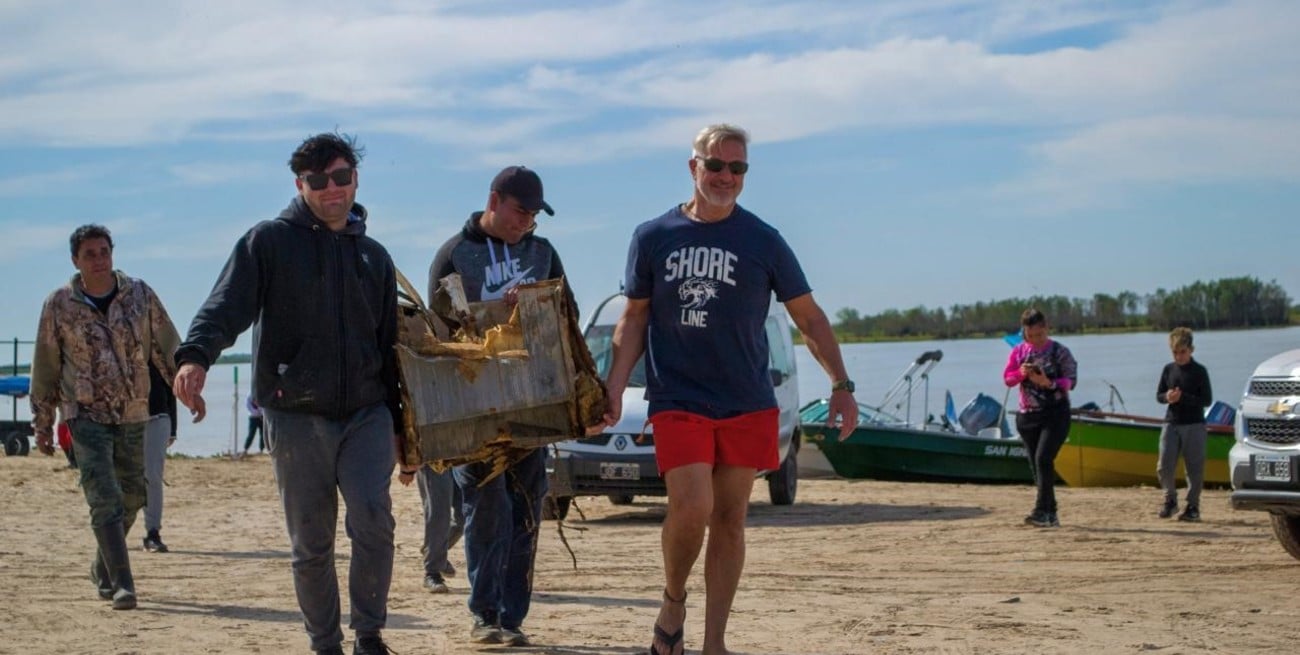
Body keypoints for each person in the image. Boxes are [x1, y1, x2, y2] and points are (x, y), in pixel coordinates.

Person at [598, 124, 858, 655]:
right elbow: (634, 319)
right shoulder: (654, 236)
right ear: (693, 167)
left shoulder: (763, 240)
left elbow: (808, 317)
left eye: (737, 169)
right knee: (692, 506)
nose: (725, 177)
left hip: (746, 400)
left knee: (731, 520)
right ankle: (673, 600)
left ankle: (714, 642)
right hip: (679, 398)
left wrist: (842, 384)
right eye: (716, 166)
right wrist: (613, 388)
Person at [171, 133, 404, 655]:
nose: (332, 190)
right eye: (318, 181)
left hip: (366, 412)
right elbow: (225, 305)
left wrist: (403, 427)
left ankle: (369, 636)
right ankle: (325, 643)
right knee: (311, 542)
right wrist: (195, 356)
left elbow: (391, 348)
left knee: (374, 520)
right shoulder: (269, 242)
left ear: (356, 179)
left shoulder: (374, 257)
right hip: (294, 412)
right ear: (300, 185)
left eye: (341, 177)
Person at [419, 165, 567, 647]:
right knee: (486, 510)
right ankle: (484, 615)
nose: (526, 223)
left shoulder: (543, 253)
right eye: (520, 211)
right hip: (475, 407)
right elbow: (435, 338)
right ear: (494, 200)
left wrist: (537, 305)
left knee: (526, 510)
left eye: (533, 216)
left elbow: (568, 319)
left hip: (531, 405)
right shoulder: (454, 255)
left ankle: (513, 616)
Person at [29, 223, 181, 610]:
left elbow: (167, 347)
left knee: (133, 494)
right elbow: (45, 366)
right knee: (104, 496)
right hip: (84, 414)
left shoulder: (139, 295)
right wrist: (43, 423)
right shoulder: (59, 304)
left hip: (133, 410)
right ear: (75, 261)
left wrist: (187, 389)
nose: (98, 259)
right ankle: (123, 583)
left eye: (103, 251)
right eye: (89, 254)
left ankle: (103, 566)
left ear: (112, 253)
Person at [1003, 308, 1078, 528]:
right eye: (1031, 335)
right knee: (1037, 466)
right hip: (1027, 416)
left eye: (1040, 334)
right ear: (1024, 332)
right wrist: (1021, 374)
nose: (1035, 340)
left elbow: (1071, 381)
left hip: (1055, 414)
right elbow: (1007, 379)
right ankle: (1050, 513)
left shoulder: (1060, 352)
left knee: (1044, 459)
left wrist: (1048, 383)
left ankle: (1040, 510)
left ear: (1047, 329)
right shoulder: (1018, 352)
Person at [1155, 327, 1213, 522]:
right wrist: (1168, 397)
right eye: (1175, 352)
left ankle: (1193, 506)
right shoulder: (1168, 370)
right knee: (1164, 464)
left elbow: (1206, 400)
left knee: (1194, 468)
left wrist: (1183, 397)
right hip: (1171, 422)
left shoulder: (1200, 371)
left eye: (1182, 352)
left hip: (1194, 424)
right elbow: (1159, 395)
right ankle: (1170, 500)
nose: (1179, 356)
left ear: (1191, 350)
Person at [397, 463, 463, 594]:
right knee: (439, 512)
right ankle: (432, 572)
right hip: (433, 456)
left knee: (465, 515)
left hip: (462, 456)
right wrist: (407, 466)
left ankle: (433, 551)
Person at [142, 362, 178, 553]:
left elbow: (171, 379)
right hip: (122, 416)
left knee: (153, 476)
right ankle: (115, 532)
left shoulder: (158, 340)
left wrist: (173, 428)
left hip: (158, 414)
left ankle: (153, 532)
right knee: (121, 477)